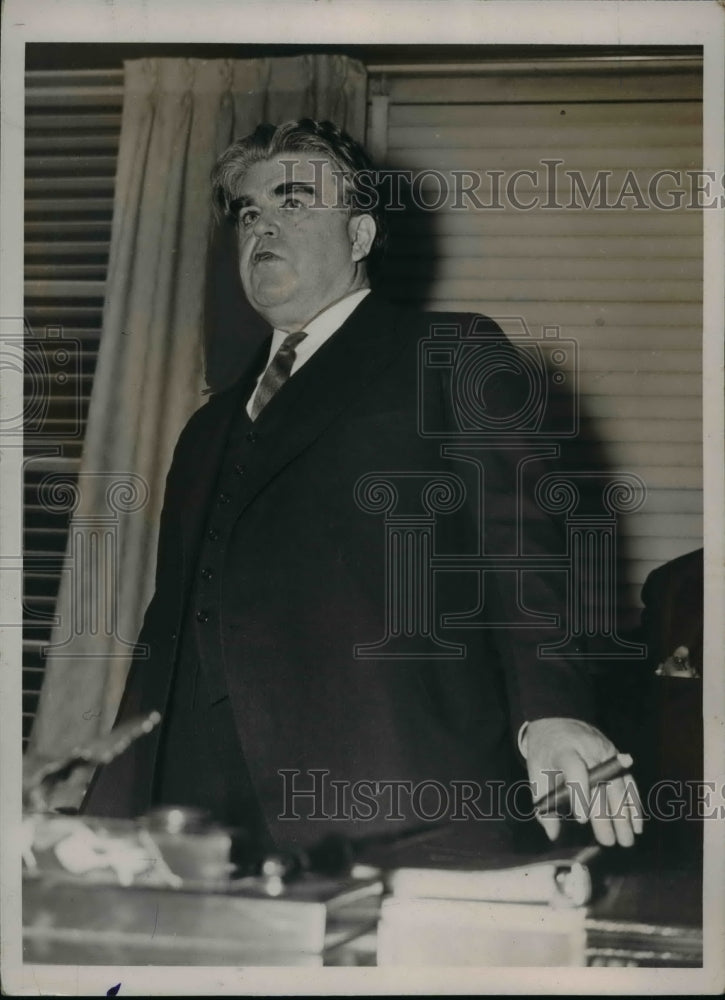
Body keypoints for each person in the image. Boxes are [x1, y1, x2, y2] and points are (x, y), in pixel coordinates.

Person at [82, 119, 641, 853]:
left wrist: (554, 712)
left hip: (390, 794)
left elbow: (525, 560)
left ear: (360, 236)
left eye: (293, 203)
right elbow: (170, 632)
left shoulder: (449, 356)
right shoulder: (207, 426)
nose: (262, 227)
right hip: (197, 815)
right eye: (248, 212)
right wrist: (116, 798)